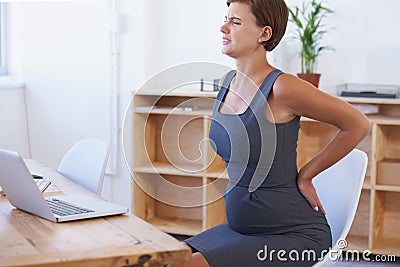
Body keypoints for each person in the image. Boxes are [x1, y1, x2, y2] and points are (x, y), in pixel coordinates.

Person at [168, 0, 370, 266]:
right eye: (226, 19)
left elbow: (358, 124)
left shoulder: (282, 87)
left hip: (293, 235)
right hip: (242, 229)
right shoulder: (226, 83)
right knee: (164, 258)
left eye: (235, 22)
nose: (223, 28)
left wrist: (307, 175)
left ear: (264, 34)